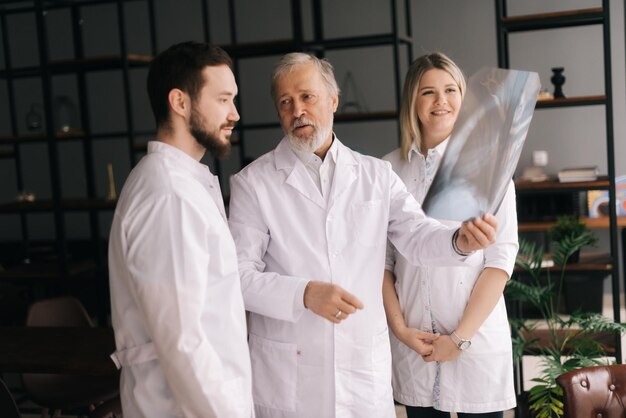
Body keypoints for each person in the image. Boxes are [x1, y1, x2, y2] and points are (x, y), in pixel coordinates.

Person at [227, 52, 499, 418]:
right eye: (285, 102)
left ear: (333, 100)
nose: (297, 111)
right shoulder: (253, 184)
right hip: (290, 375)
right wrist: (303, 294)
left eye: (307, 96)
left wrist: (459, 242)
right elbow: (238, 277)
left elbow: (417, 236)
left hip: (361, 375)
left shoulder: (376, 174)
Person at [108, 41, 253, 418]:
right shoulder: (167, 194)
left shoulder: (182, 183)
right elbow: (182, 339)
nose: (235, 114)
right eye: (223, 99)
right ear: (181, 102)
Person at [382, 52, 518, 418]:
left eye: (450, 89)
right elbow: (383, 264)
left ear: (464, 96)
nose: (440, 101)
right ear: (413, 100)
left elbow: (500, 261)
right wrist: (400, 331)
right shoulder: (387, 170)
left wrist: (459, 339)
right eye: (428, 92)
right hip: (416, 347)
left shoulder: (490, 165)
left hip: (475, 344)